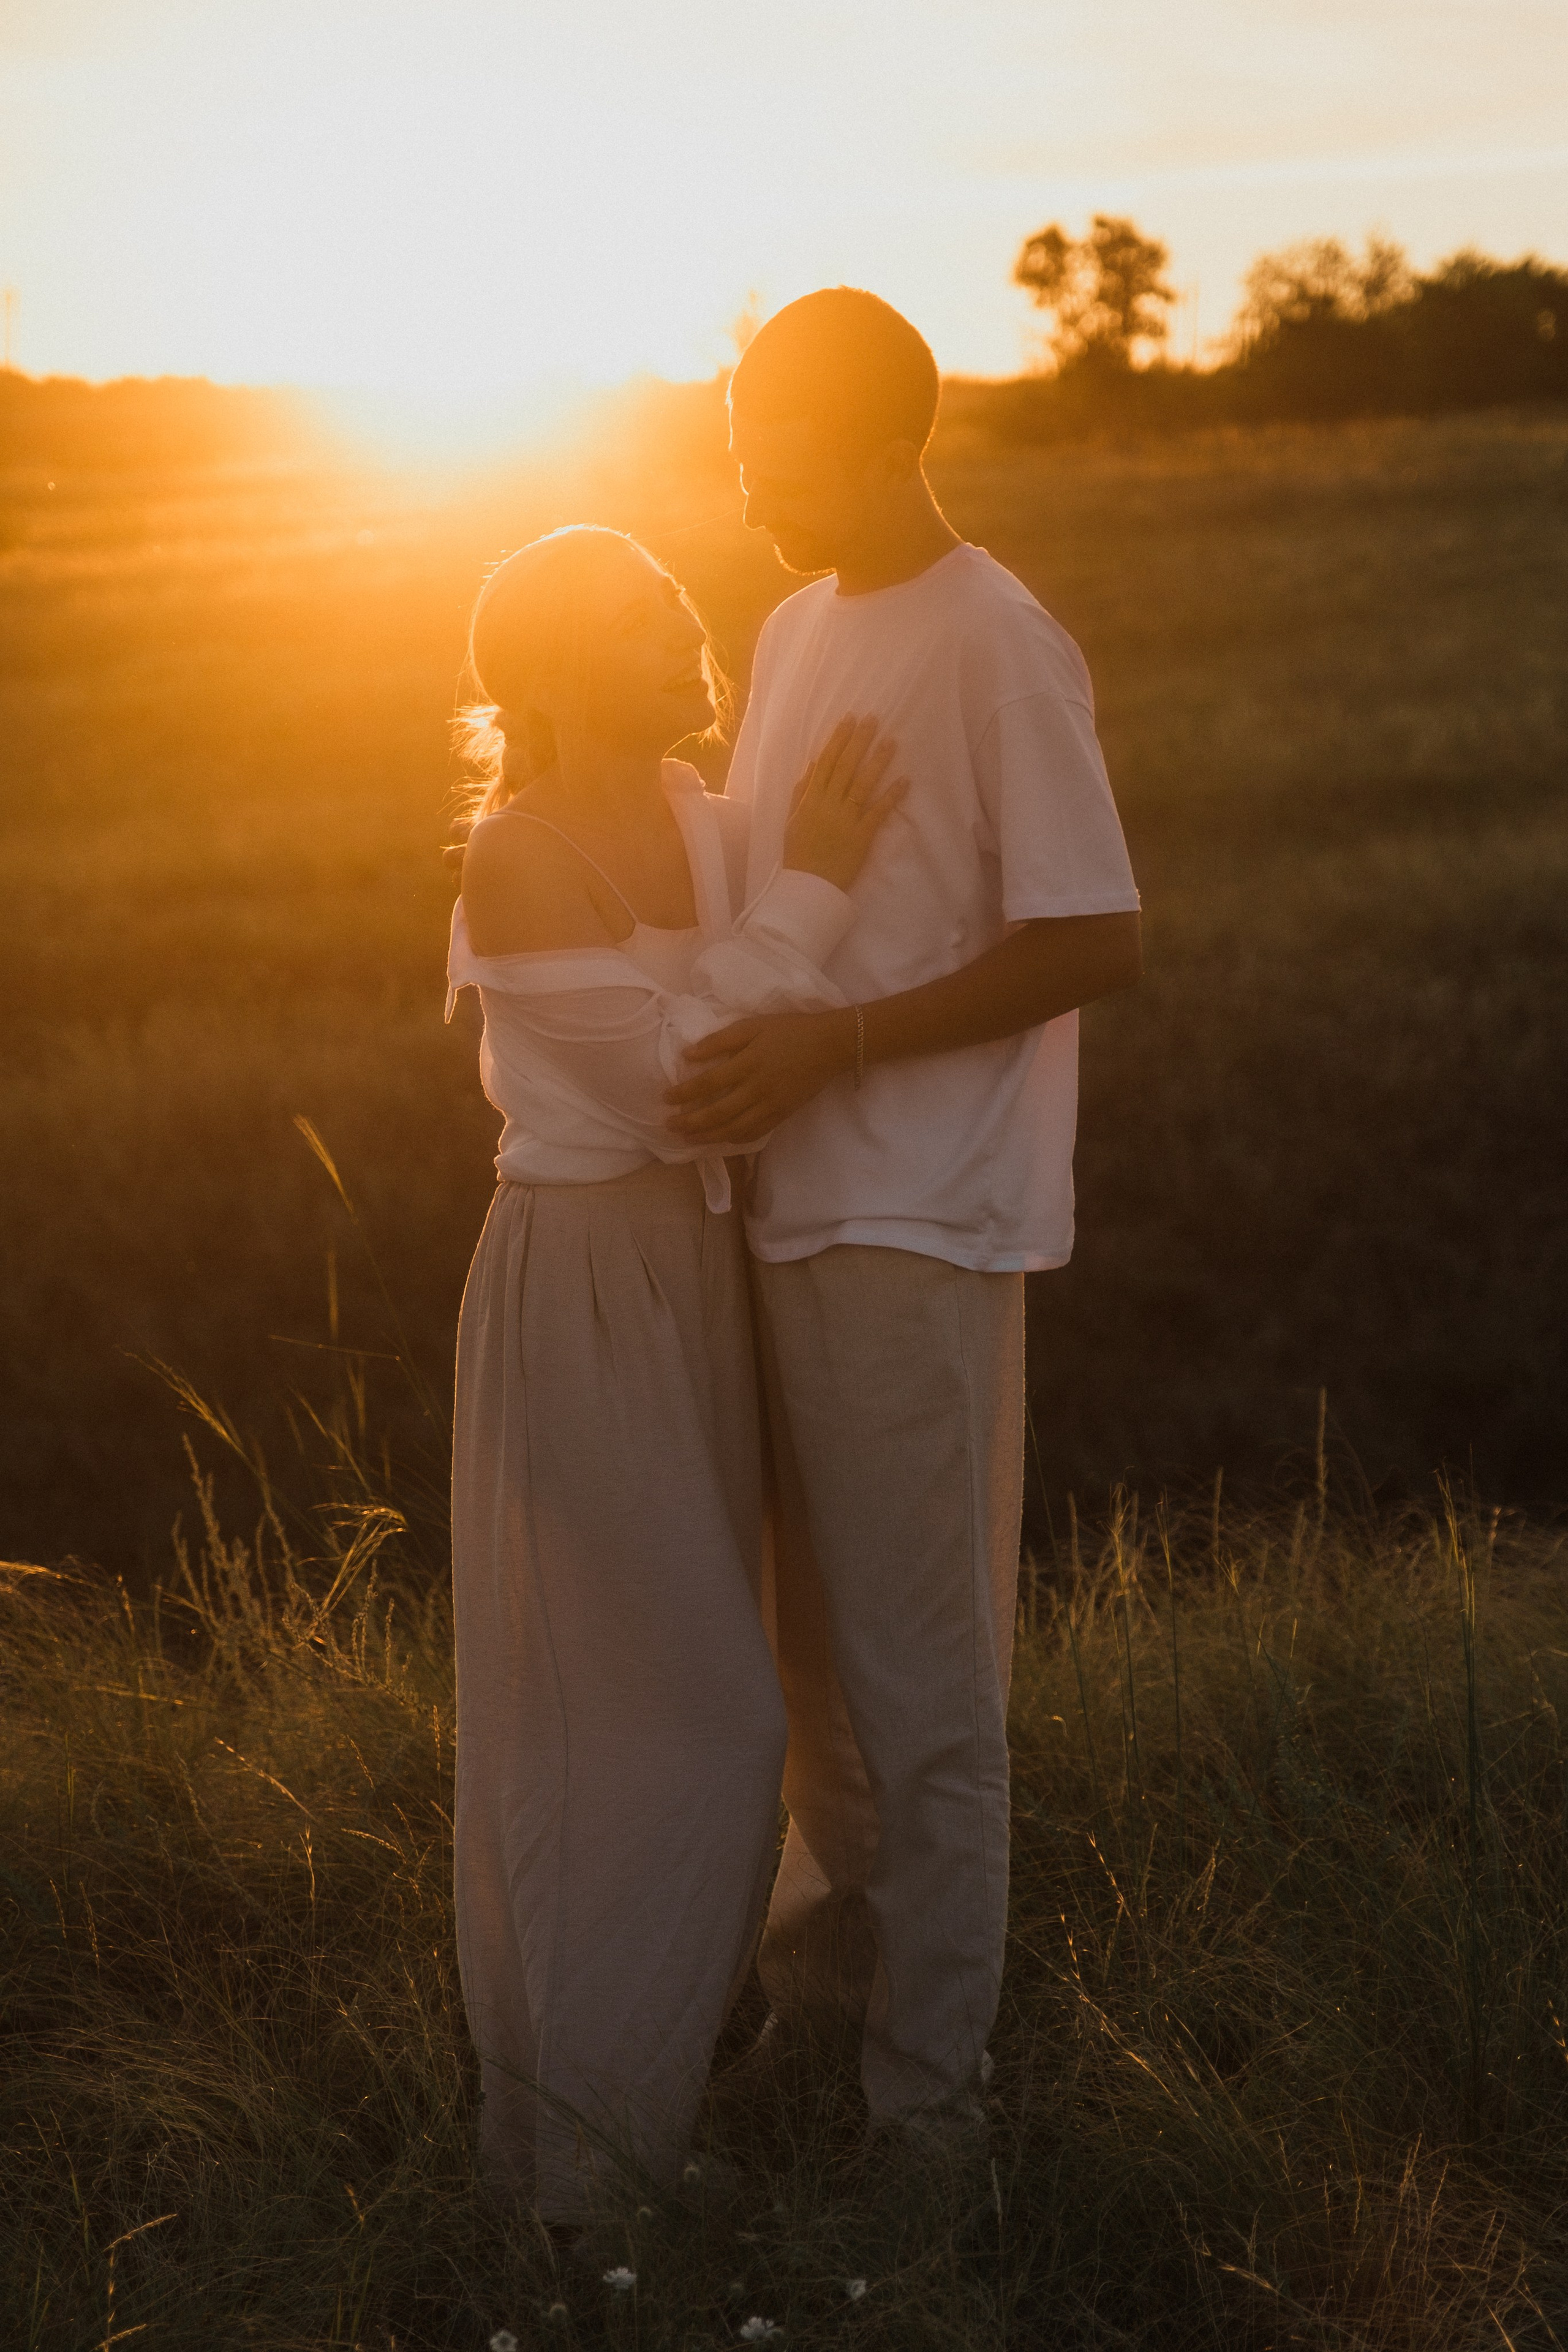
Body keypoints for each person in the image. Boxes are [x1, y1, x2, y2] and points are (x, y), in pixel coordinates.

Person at [665, 288, 1144, 2160]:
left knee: (923, 1693)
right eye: (732, 445)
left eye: (776, 451)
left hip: (920, 1223)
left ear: (888, 439)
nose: (751, 485)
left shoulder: (999, 642)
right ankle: (834, 2010)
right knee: (796, 1677)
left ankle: (932, 2125)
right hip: (775, 1209)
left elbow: (1099, 932)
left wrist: (835, 1045)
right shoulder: (794, 627)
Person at [445, 523, 903, 2223]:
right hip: (578, 1292)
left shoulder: (712, 831)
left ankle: (672, 2104)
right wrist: (813, 897)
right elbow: (683, 1084)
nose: (690, 638)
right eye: (647, 622)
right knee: (670, 1722)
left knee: (739, 1700)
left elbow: (734, 1057)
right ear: (556, 665)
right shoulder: (517, 853)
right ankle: (581, 2176)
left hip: (712, 1283)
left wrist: (772, 919)